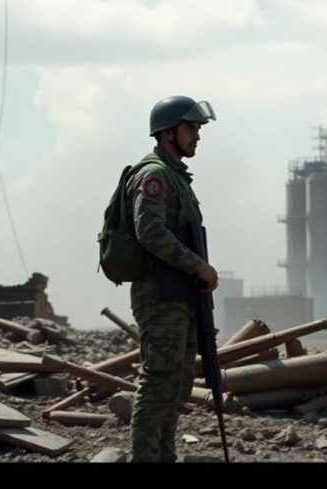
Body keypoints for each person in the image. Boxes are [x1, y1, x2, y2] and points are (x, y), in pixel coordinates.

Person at [125, 95, 219, 462]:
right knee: (158, 385)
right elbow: (148, 230)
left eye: (197, 128)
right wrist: (197, 265)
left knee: (176, 388)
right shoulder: (155, 175)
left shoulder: (176, 176)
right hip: (160, 297)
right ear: (167, 134)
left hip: (179, 295)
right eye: (190, 128)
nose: (197, 136)